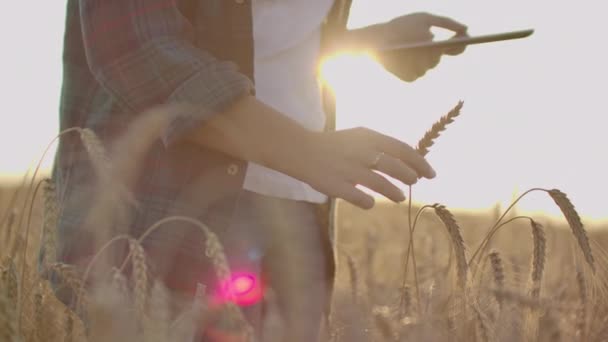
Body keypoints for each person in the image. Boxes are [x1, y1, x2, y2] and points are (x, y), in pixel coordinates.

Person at [52, 0, 467, 340]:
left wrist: (367, 43)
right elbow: (133, 45)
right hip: (173, 211)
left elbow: (264, 33)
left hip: (301, 211)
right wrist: (305, 151)